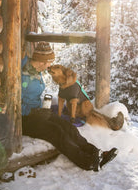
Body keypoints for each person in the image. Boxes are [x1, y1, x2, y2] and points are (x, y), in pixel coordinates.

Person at [21, 42, 117, 171]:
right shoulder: (21, 75)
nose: (50, 66)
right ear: (41, 61)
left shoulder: (36, 71)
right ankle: (86, 161)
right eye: (49, 62)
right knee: (56, 131)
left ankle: (97, 153)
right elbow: (14, 102)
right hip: (25, 118)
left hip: (38, 113)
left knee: (68, 127)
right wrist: (31, 112)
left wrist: (41, 109)